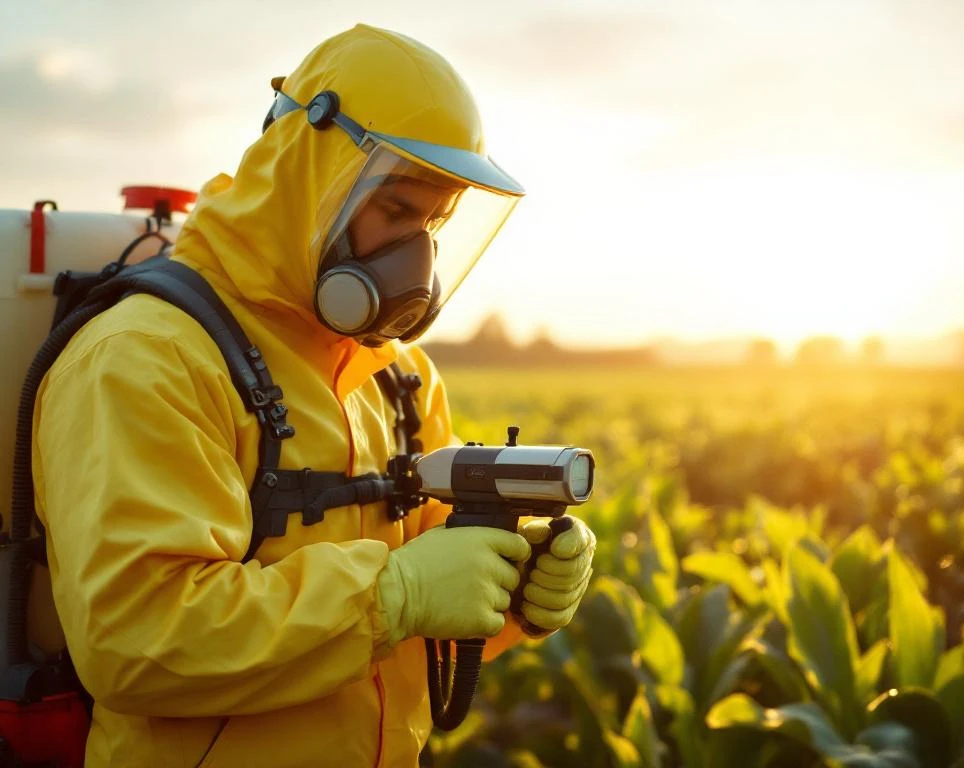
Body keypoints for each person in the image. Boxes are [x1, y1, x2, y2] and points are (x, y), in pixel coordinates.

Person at [31, 23, 596, 768]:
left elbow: (429, 597)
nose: (418, 255)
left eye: (435, 222)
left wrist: (513, 582)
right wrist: (390, 595)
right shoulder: (144, 358)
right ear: (311, 176)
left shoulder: (399, 377)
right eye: (396, 212)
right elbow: (137, 639)